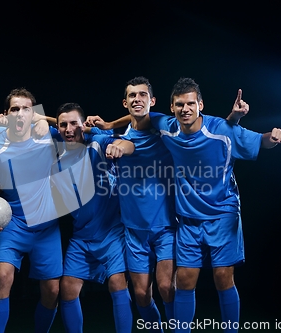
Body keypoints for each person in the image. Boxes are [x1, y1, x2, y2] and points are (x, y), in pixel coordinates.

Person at [147, 77, 281, 333]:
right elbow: (141, 118)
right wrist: (110, 125)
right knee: (185, 280)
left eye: (190, 104)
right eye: (179, 104)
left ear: (200, 104)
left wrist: (274, 137)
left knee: (223, 277)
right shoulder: (166, 127)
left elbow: (259, 140)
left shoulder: (221, 130)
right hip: (188, 218)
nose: (185, 109)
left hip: (223, 212)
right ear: (172, 107)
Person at [0, 88, 60, 333]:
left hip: (46, 226)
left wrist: (44, 120)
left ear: (33, 113)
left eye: (26, 109)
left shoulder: (47, 135)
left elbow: (75, 126)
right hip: (14, 224)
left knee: (52, 291)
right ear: (6, 114)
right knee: (2, 278)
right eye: (14, 109)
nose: (20, 114)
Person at [87, 77, 177, 332]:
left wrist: (119, 147)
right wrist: (108, 130)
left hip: (165, 226)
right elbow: (124, 139)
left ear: (152, 101)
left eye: (142, 95)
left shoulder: (163, 127)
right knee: (141, 296)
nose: (137, 99)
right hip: (134, 230)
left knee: (167, 287)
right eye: (132, 96)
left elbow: (129, 145)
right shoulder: (118, 134)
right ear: (125, 102)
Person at [51, 102, 134, 333]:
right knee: (67, 288)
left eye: (74, 123)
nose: (69, 129)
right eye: (63, 124)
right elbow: (36, 122)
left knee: (117, 283)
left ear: (84, 125)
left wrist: (119, 147)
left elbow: (127, 143)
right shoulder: (55, 158)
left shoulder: (98, 142)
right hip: (81, 235)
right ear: (57, 128)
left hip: (111, 231)